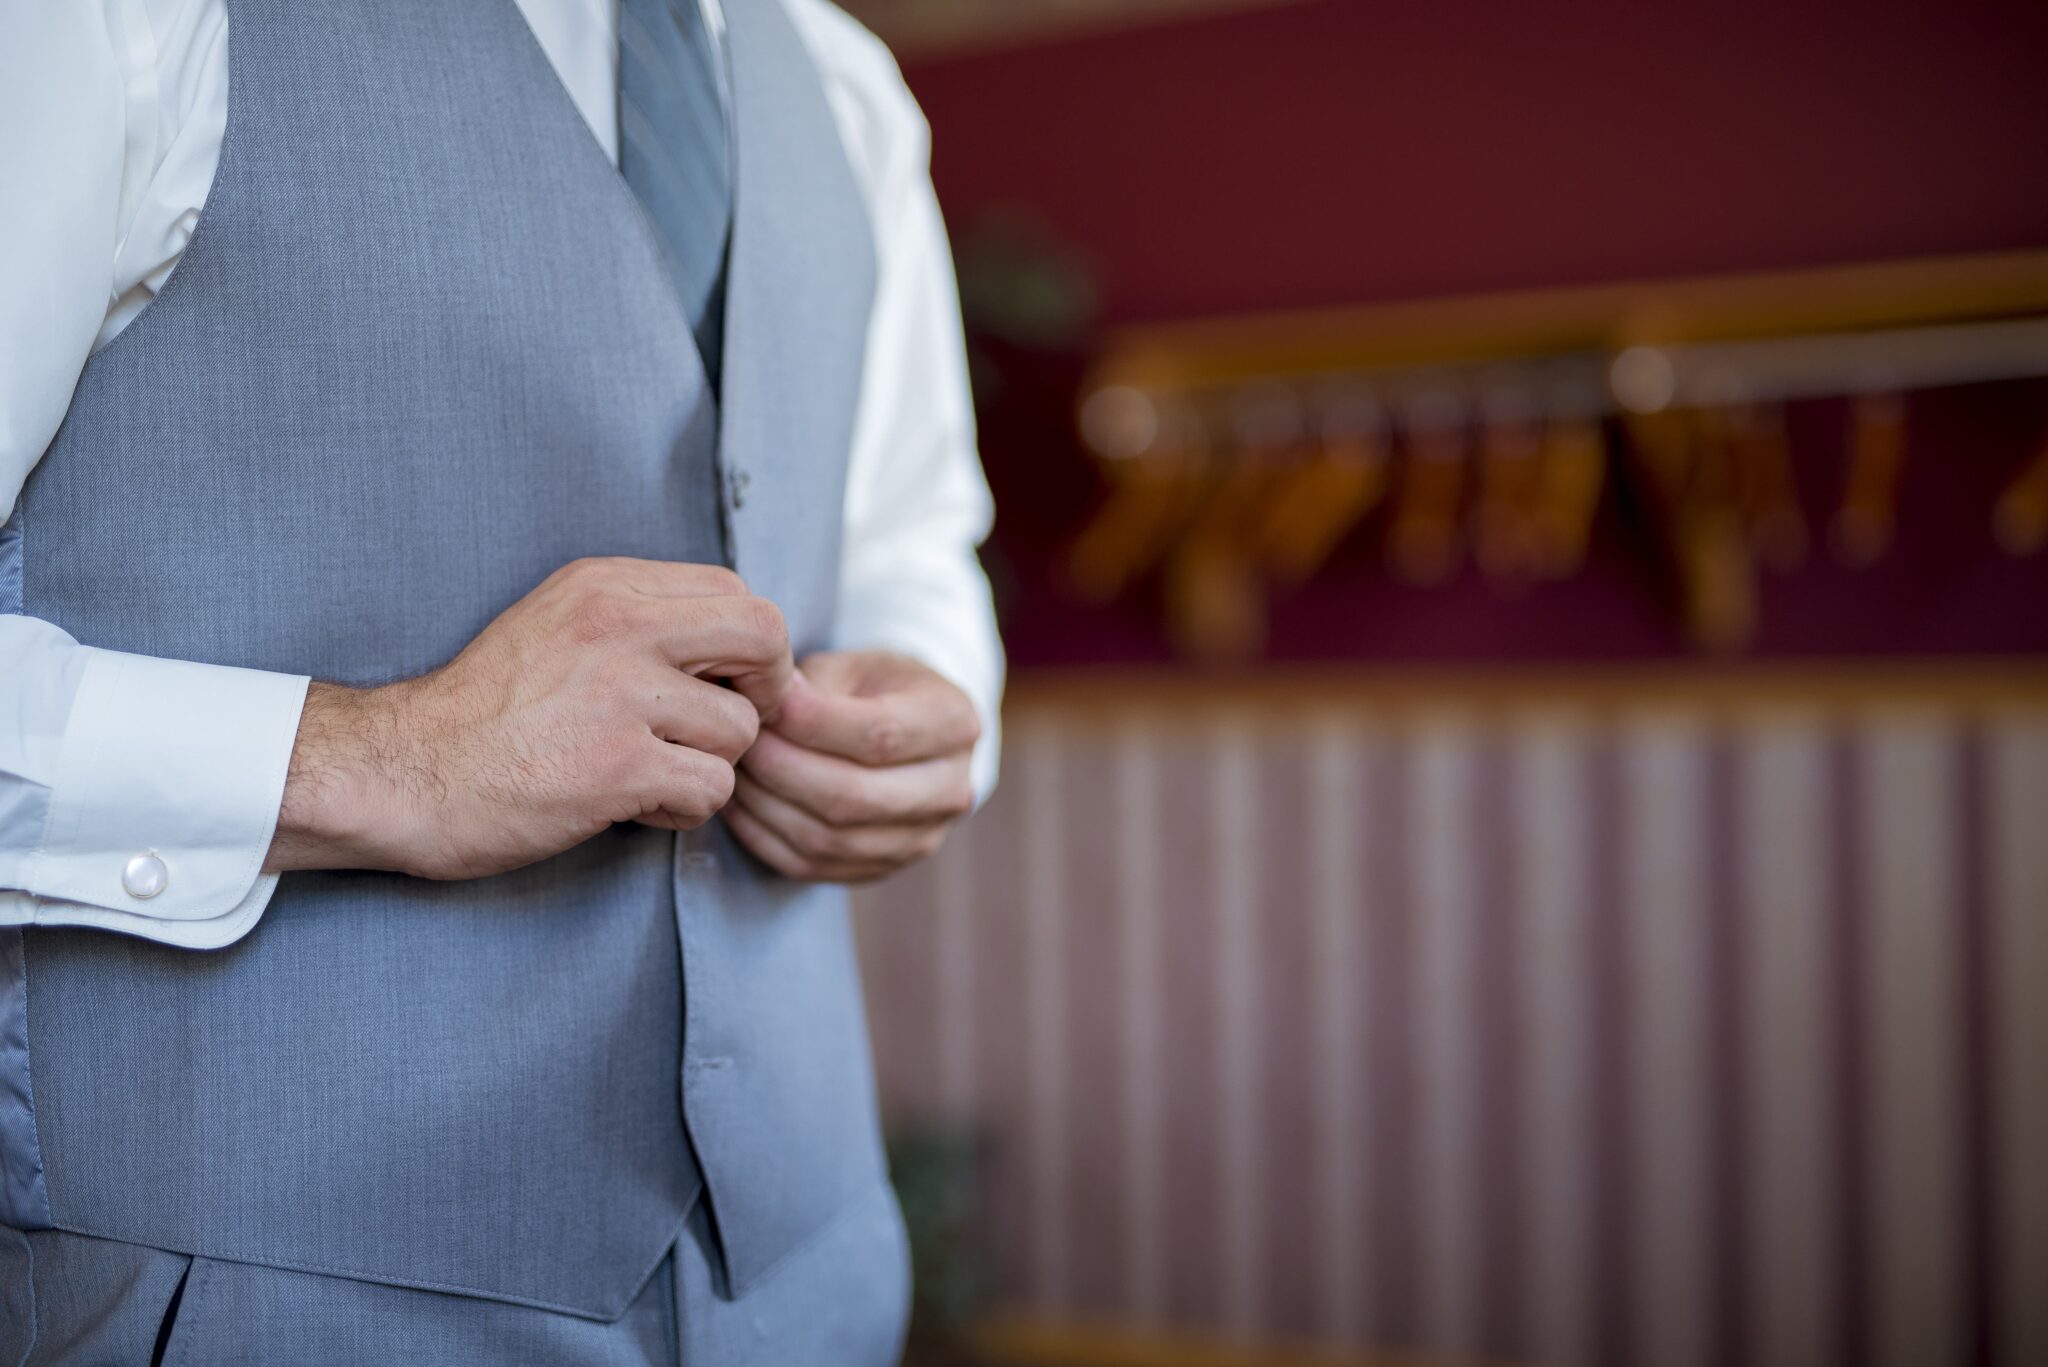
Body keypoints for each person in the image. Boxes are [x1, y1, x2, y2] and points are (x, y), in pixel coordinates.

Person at [0, 0, 1003, 1360]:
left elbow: (908, 545)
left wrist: (935, 699)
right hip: (270, 1300)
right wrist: (386, 759)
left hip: (810, 1281)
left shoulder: (843, 82)